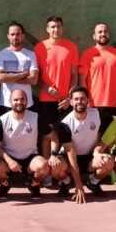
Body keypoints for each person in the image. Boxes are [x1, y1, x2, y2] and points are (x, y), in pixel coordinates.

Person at [49, 86, 114, 199]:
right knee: (55, 166)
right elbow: (71, 154)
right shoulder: (64, 123)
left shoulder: (97, 114)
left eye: (83, 98)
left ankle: (93, 183)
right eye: (76, 99)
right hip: (70, 160)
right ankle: (66, 182)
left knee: (108, 161)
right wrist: (78, 185)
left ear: (88, 100)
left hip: (90, 159)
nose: (80, 101)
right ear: (71, 101)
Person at [0, 89, 49, 199]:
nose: (19, 102)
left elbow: (52, 136)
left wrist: (54, 153)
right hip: (9, 159)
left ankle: (34, 185)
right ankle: (5, 185)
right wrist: (9, 161)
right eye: (16, 99)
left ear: (27, 101)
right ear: (10, 101)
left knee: (44, 166)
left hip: (30, 158)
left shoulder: (35, 117)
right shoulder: (1, 120)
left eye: (22, 99)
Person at [34, 16, 80, 154]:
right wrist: (46, 87)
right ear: (47, 29)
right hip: (46, 99)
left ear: (62, 28)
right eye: (53, 27)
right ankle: (47, 168)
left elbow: (74, 75)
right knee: (47, 134)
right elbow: (35, 76)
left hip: (65, 100)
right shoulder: (40, 47)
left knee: (66, 133)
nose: (56, 29)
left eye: (58, 26)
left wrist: (69, 98)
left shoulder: (71, 47)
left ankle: (63, 169)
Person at [79, 22, 116, 132]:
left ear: (109, 34)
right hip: (93, 105)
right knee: (94, 137)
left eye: (105, 31)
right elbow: (82, 79)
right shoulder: (87, 54)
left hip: (115, 104)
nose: (103, 34)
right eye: (99, 32)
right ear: (94, 36)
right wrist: (85, 100)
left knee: (112, 138)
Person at [0, 22, 39, 119]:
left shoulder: (30, 54)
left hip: (27, 103)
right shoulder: (1, 54)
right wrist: (23, 74)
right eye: (12, 34)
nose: (15, 37)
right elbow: (0, 78)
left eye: (18, 34)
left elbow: (34, 79)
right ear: (8, 36)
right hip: (6, 103)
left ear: (22, 36)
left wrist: (9, 78)